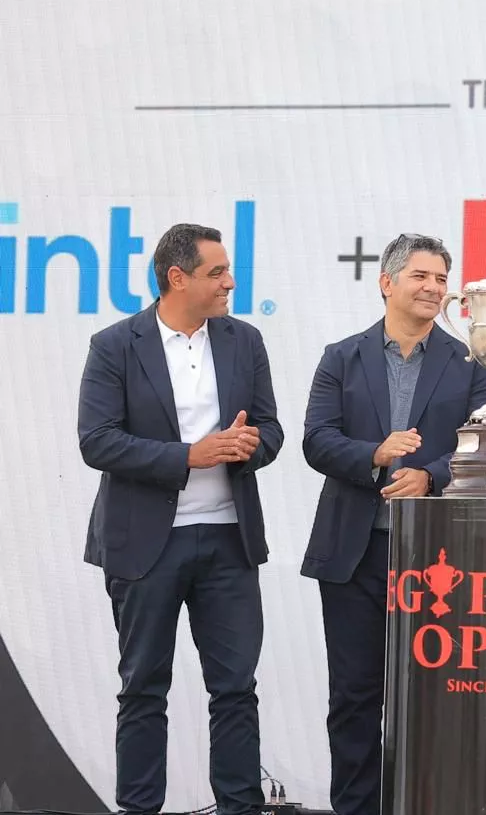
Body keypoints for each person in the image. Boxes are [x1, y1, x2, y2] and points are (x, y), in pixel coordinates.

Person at [78, 223, 283, 815]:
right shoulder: (114, 345)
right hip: (146, 545)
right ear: (177, 278)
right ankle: (139, 808)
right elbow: (97, 441)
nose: (230, 282)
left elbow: (271, 430)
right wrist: (188, 456)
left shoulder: (245, 341)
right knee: (143, 688)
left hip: (229, 542)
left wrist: (248, 445)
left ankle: (240, 807)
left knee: (236, 689)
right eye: (217, 272)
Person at [300, 233, 486, 815]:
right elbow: (316, 440)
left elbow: (483, 445)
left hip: (440, 560)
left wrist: (430, 476)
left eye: (441, 279)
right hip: (355, 555)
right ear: (387, 283)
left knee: (437, 699)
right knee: (354, 697)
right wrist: (375, 455)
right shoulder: (341, 357)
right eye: (421, 276)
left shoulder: (471, 364)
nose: (434, 288)